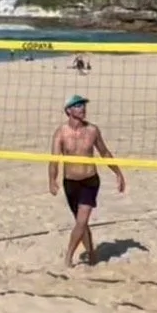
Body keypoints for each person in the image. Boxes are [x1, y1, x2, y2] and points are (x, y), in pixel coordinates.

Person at [47, 95, 125, 267]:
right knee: (81, 224)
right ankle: (91, 254)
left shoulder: (92, 130)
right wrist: (52, 180)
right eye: (77, 105)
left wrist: (118, 173)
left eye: (83, 105)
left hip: (90, 181)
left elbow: (104, 153)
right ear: (68, 110)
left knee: (81, 221)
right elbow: (54, 160)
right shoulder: (61, 132)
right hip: (70, 182)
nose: (82, 108)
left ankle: (68, 256)